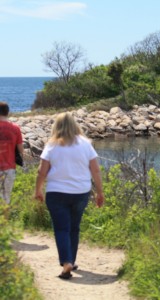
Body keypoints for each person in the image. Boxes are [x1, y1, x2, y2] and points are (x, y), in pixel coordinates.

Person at [34, 112, 105, 280]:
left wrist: (37, 190)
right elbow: (95, 169)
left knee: (61, 228)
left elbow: (42, 171)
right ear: (75, 125)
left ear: (56, 126)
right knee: (74, 227)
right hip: (81, 192)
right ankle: (71, 260)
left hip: (56, 192)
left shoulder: (51, 145)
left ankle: (67, 262)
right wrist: (100, 192)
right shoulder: (86, 144)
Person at [0, 101, 24, 205]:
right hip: (10, 168)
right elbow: (21, 150)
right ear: (8, 112)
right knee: (6, 198)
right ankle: (5, 220)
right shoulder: (15, 128)